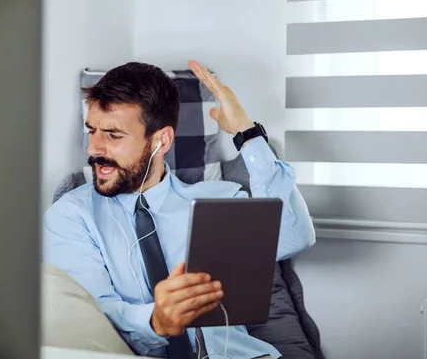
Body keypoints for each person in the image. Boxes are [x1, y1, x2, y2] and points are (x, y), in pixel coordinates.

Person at [43, 60, 316, 359]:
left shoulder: (218, 202)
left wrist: (247, 133)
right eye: (92, 130)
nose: (93, 148)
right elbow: (92, 317)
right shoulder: (71, 217)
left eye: (113, 134)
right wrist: (156, 321)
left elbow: (294, 237)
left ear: (162, 141)